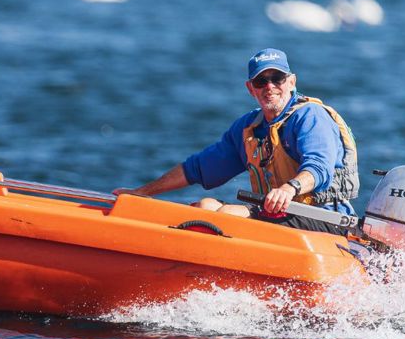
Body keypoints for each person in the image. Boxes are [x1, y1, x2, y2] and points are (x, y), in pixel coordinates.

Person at [115, 48, 359, 232]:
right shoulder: (248, 128)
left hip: (325, 219)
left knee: (229, 214)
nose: (270, 86)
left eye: (277, 78)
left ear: (291, 82)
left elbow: (319, 168)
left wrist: (289, 188)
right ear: (251, 88)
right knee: (205, 207)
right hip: (278, 215)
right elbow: (197, 168)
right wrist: (142, 192)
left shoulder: (310, 116)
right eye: (261, 81)